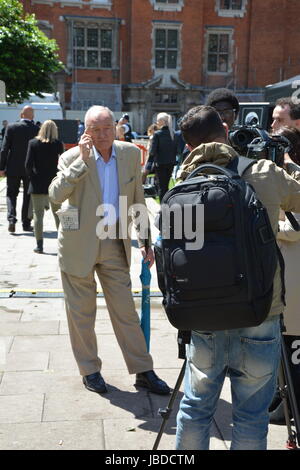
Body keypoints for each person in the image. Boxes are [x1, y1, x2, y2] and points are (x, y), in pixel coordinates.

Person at [175, 105, 300, 450]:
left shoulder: (185, 180)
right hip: (260, 311)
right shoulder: (264, 171)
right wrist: (286, 163)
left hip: (203, 315)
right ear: (226, 129)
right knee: (250, 414)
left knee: (195, 407)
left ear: (189, 147)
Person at [48, 105, 170, 396]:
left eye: (107, 128)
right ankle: (90, 370)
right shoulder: (71, 157)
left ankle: (143, 370)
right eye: (95, 129)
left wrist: (145, 241)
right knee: (81, 313)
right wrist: (82, 162)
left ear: (116, 127)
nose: (102, 135)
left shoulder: (128, 154)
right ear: (85, 130)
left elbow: (137, 198)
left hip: (115, 241)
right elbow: (55, 195)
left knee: (126, 311)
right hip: (78, 245)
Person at [268, 126, 300, 424]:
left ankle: (290, 404)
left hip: (293, 272)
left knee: (292, 345)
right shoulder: (269, 174)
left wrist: (269, 229)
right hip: (278, 272)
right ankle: (281, 397)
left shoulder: (295, 176)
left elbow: (295, 227)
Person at [25, 120, 64, 254]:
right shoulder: (58, 144)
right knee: (58, 215)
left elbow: (28, 165)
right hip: (54, 183)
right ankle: (62, 244)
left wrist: (33, 178)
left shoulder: (33, 143)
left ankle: (39, 245)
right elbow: (63, 164)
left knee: (38, 215)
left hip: (37, 183)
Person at [0, 106, 39, 233]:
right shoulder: (37, 129)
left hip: (13, 166)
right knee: (28, 197)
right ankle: (26, 223)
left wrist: (1, 167)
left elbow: (4, 149)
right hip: (30, 168)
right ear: (32, 116)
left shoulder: (11, 127)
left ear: (21, 115)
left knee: (11, 194)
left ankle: (11, 219)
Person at [143, 112, 177, 202]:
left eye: (158, 120)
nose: (156, 122)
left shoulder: (158, 134)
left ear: (162, 121)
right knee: (166, 185)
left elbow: (152, 152)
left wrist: (147, 167)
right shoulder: (173, 133)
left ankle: (163, 207)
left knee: (161, 187)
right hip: (171, 163)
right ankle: (166, 204)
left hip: (160, 163)